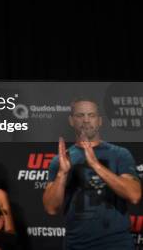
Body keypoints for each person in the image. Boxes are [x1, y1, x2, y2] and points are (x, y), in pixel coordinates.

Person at [43, 98, 142, 249]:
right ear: (71, 120)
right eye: (80, 115)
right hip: (76, 245)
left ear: (100, 121)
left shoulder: (120, 154)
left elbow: (134, 195)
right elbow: (51, 208)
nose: (86, 120)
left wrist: (96, 164)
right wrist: (62, 174)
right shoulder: (61, 160)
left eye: (91, 115)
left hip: (117, 244)